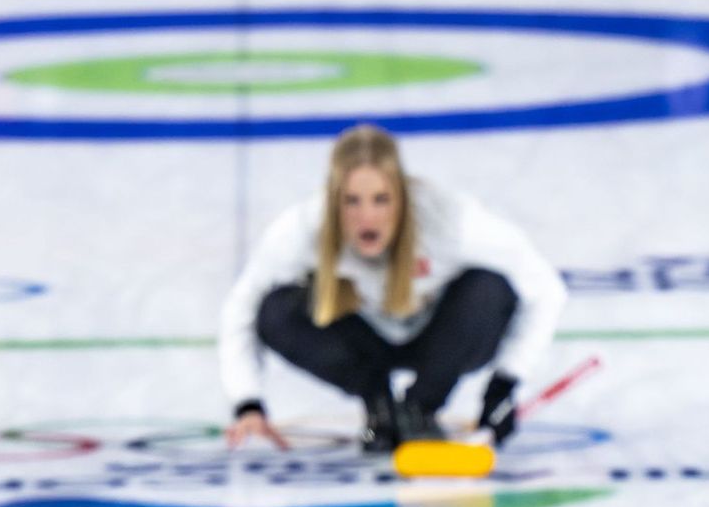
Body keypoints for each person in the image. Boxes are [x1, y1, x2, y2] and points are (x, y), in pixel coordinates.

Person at [219, 123, 567, 453]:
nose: (367, 217)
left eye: (380, 199)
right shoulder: (305, 227)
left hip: (444, 342)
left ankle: (421, 406)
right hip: (365, 344)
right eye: (352, 201)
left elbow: (546, 290)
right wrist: (248, 402)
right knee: (277, 310)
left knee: (490, 289)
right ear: (333, 199)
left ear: (401, 195)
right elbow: (243, 306)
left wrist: (503, 386)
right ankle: (381, 408)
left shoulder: (450, 220)